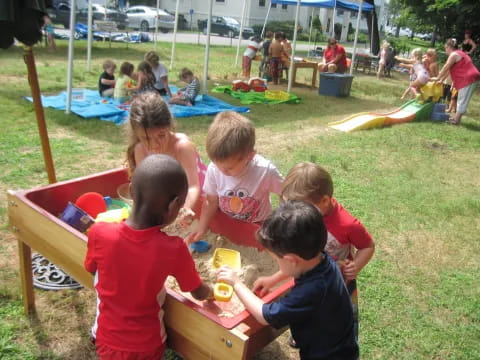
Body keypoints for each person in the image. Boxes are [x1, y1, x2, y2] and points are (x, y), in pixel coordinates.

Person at [85, 154, 213, 360]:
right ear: (174, 206)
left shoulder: (99, 232)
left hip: (106, 338)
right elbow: (196, 291)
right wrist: (211, 292)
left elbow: (92, 268)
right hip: (147, 345)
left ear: (132, 191)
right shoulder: (173, 248)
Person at [217, 200, 359, 360]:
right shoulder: (324, 260)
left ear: (291, 260)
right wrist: (273, 278)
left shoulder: (309, 292)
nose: (278, 264)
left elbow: (265, 316)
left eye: (277, 260)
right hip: (342, 344)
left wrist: (236, 283)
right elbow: (297, 266)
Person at [256, 162, 375, 345]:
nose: (293, 212)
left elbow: (368, 246)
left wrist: (356, 266)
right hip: (310, 276)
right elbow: (298, 260)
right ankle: (301, 335)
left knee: (337, 322)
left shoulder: (347, 224)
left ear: (324, 201)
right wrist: (273, 279)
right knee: (307, 309)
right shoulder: (302, 224)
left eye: (299, 206)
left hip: (340, 282)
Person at [185, 111, 284, 249]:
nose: (222, 171)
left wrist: (281, 219)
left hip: (258, 225)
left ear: (249, 156)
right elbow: (211, 201)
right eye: (218, 165)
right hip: (228, 221)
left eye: (229, 168)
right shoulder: (215, 169)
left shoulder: (265, 171)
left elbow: (285, 193)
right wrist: (202, 227)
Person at [126, 92, 207, 222]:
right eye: (146, 138)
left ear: (169, 125)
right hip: (170, 199)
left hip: (198, 199)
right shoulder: (140, 149)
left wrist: (186, 209)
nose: (154, 144)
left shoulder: (182, 147)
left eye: (161, 135)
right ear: (136, 133)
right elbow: (146, 186)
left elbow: (193, 186)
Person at [434, 38, 480, 125]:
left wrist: (437, 77)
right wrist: (441, 80)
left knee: (462, 99)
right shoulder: (459, 53)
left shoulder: (453, 54)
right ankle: (456, 118)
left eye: (445, 48)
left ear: (448, 47)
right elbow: (449, 70)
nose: (445, 51)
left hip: (468, 78)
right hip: (471, 77)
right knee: (462, 98)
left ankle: (456, 120)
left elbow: (446, 66)